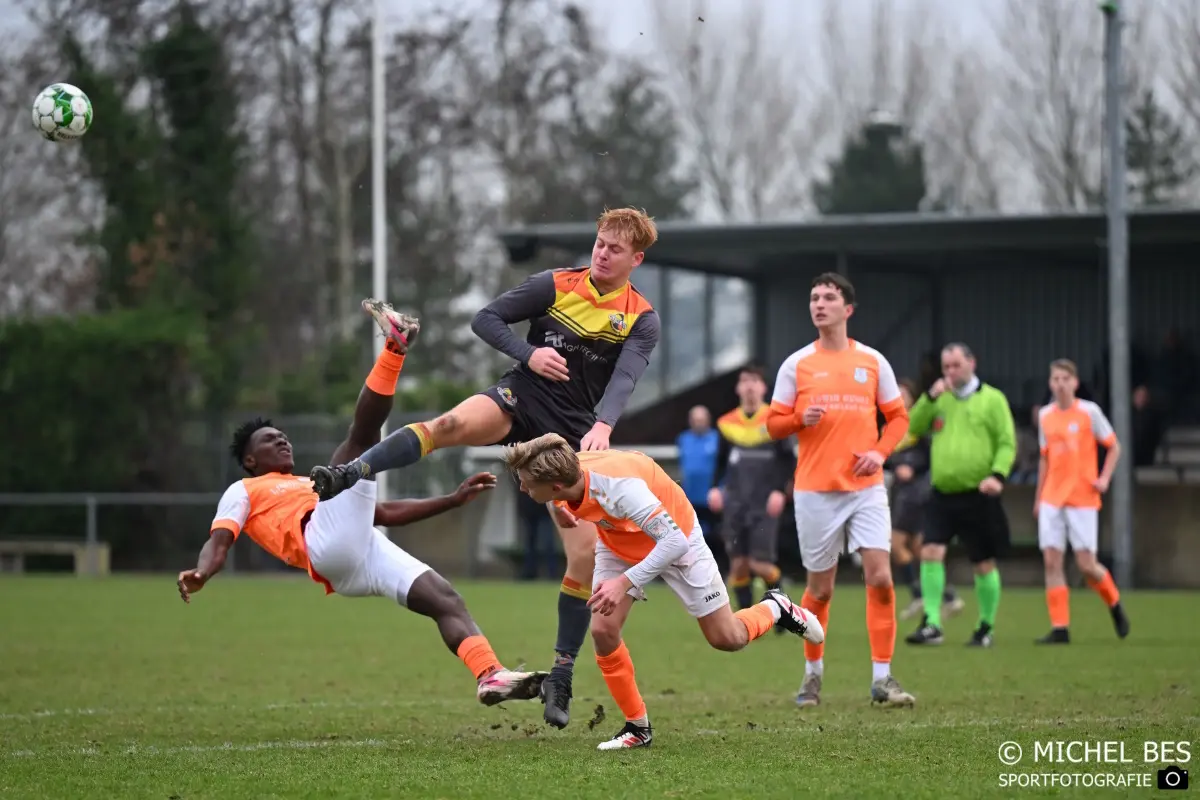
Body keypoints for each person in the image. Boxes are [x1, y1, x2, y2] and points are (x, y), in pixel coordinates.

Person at [309, 208, 661, 730]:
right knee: (448, 424)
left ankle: (562, 674)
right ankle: (351, 472)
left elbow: (625, 378)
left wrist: (604, 425)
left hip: (571, 433)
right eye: (599, 243)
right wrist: (529, 354)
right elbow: (486, 318)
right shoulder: (555, 284)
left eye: (615, 249)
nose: (602, 254)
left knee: (585, 552)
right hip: (522, 395)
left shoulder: (641, 318)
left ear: (636, 259)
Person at [176, 300, 547, 706]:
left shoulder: (308, 483)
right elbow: (219, 540)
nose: (282, 440)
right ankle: (395, 347)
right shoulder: (244, 489)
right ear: (250, 460)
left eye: (283, 435)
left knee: (445, 599)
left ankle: (490, 675)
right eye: (269, 439)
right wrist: (203, 571)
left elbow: (381, 514)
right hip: (324, 546)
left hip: (357, 556)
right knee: (358, 444)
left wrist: (452, 500)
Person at [502, 433, 823, 751]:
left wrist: (623, 583)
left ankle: (776, 607)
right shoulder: (566, 472)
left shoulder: (621, 489)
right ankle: (638, 727)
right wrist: (559, 506)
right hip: (619, 541)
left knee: (727, 638)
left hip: (677, 538)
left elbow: (674, 542)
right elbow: (559, 489)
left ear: (556, 485)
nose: (523, 488)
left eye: (527, 484)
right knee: (602, 630)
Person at [767, 272, 915, 709]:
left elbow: (899, 418)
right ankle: (812, 675)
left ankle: (883, 679)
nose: (819, 304)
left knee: (881, 578)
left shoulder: (873, 361)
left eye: (828, 297)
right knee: (821, 590)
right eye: (814, 297)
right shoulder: (796, 365)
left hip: (866, 489)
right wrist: (799, 419)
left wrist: (880, 453)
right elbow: (773, 425)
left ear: (847, 309)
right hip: (815, 491)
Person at [905, 343, 1016, 648]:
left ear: (971, 363)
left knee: (983, 562)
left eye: (956, 365)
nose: (951, 372)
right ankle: (932, 622)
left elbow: (1006, 442)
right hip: (942, 493)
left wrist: (997, 475)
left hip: (978, 493)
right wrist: (929, 398)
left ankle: (985, 626)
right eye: (946, 367)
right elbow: (913, 426)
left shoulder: (992, 399)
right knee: (930, 551)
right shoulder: (939, 398)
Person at [1034, 359, 1130, 644]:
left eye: (1065, 379)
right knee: (1051, 561)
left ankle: (1114, 603)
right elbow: (1044, 457)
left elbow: (1114, 446)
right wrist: (1039, 497)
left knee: (1087, 565)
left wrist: (1104, 478)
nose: (1060, 384)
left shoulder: (1089, 412)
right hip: (1052, 497)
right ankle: (1060, 628)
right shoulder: (1045, 415)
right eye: (1055, 379)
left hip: (1082, 497)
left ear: (1075, 383)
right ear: (1050, 383)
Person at [707, 365, 795, 620]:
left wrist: (780, 490)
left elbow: (789, 461)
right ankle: (747, 620)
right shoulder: (726, 423)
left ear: (763, 388)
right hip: (735, 502)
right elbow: (721, 461)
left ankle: (783, 610)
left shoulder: (775, 420)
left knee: (760, 564)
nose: (749, 386)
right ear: (738, 388)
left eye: (755, 380)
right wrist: (715, 488)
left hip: (764, 502)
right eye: (745, 381)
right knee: (739, 565)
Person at [888, 379, 964, 622]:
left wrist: (911, 467)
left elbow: (929, 455)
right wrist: (896, 465)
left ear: (913, 399)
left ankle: (919, 594)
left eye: (904, 395)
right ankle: (948, 596)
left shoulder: (920, 423)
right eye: (896, 394)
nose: (900, 399)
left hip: (917, 493)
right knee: (920, 549)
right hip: (903, 493)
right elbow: (887, 456)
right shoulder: (890, 425)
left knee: (897, 544)